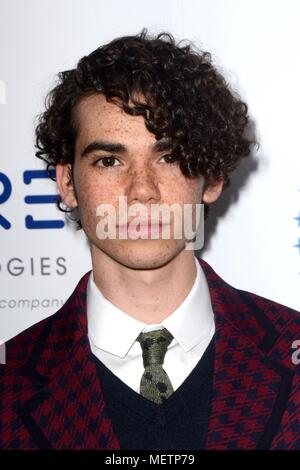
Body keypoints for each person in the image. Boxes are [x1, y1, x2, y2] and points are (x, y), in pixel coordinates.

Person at [0, 28, 299, 450]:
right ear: (67, 182)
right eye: (108, 160)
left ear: (211, 176)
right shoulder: (9, 381)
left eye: (169, 157)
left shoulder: (292, 351)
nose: (142, 190)